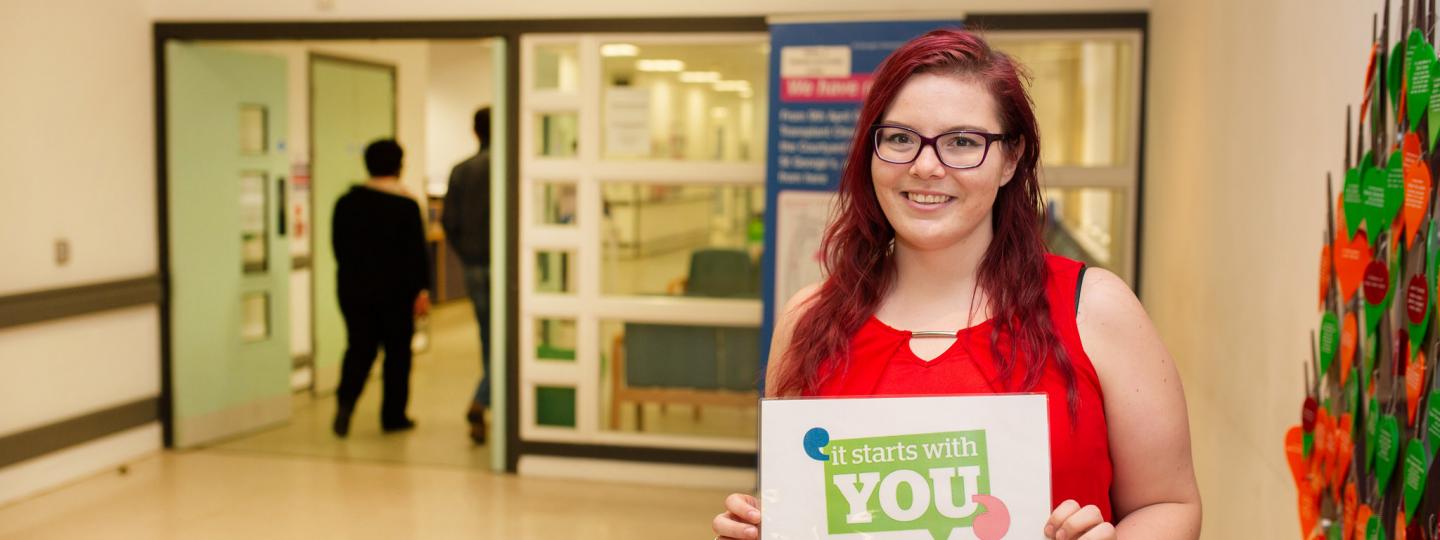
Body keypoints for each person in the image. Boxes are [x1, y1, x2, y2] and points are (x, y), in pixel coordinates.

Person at [712, 29, 1201, 540]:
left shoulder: (1093, 309)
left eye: (963, 142)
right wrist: (759, 526)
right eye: (900, 138)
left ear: (1011, 159)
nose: (926, 166)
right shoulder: (808, 319)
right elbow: (804, 506)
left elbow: (1168, 502)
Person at [331, 139, 432, 437]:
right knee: (398, 354)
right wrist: (422, 292)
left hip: (353, 291)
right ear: (399, 165)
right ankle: (393, 415)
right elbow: (417, 255)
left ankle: (345, 404)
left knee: (359, 349)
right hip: (396, 294)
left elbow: (338, 249)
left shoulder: (346, 203)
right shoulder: (406, 206)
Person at [442, 107, 493, 445]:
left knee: (489, 336)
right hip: (504, 267)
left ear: (475, 131)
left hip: (474, 265)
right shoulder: (510, 168)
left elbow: (449, 222)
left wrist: (467, 254)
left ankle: (486, 400)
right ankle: (482, 399)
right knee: (505, 340)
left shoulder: (461, 171)